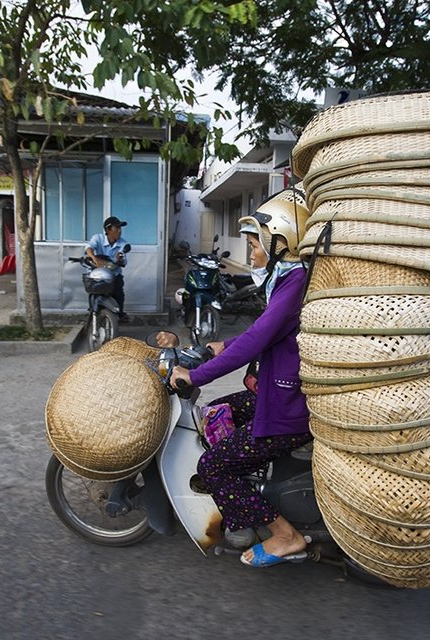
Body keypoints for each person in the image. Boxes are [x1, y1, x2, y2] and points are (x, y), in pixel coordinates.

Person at [165, 186, 312, 568]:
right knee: (218, 411)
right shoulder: (287, 277)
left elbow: (258, 339)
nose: (251, 251)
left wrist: (196, 375)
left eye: (256, 243)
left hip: (286, 409)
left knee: (212, 466)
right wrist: (223, 345)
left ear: (280, 242)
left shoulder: (294, 282)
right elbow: (264, 332)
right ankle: (244, 499)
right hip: (278, 394)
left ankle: (284, 534)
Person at [85, 216, 129, 322]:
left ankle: (120, 313)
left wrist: (120, 259)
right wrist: (94, 257)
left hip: (114, 274)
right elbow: (89, 247)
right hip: (97, 273)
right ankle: (92, 310)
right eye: (116, 228)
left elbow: (124, 259)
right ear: (108, 230)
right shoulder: (98, 238)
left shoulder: (123, 243)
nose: (119, 231)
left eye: (120, 228)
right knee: (93, 291)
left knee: (119, 293)